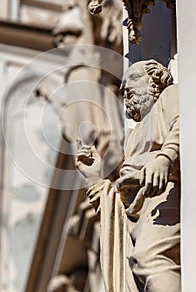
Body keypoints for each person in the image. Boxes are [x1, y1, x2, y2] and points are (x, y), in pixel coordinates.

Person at [76, 59, 181, 292]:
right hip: (136, 210)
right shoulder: (133, 136)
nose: (126, 90)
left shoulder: (170, 96)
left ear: (155, 80)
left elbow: (183, 124)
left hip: (162, 192)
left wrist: (165, 157)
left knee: (149, 257)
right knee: (137, 265)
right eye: (122, 86)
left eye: (133, 79)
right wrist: (94, 178)